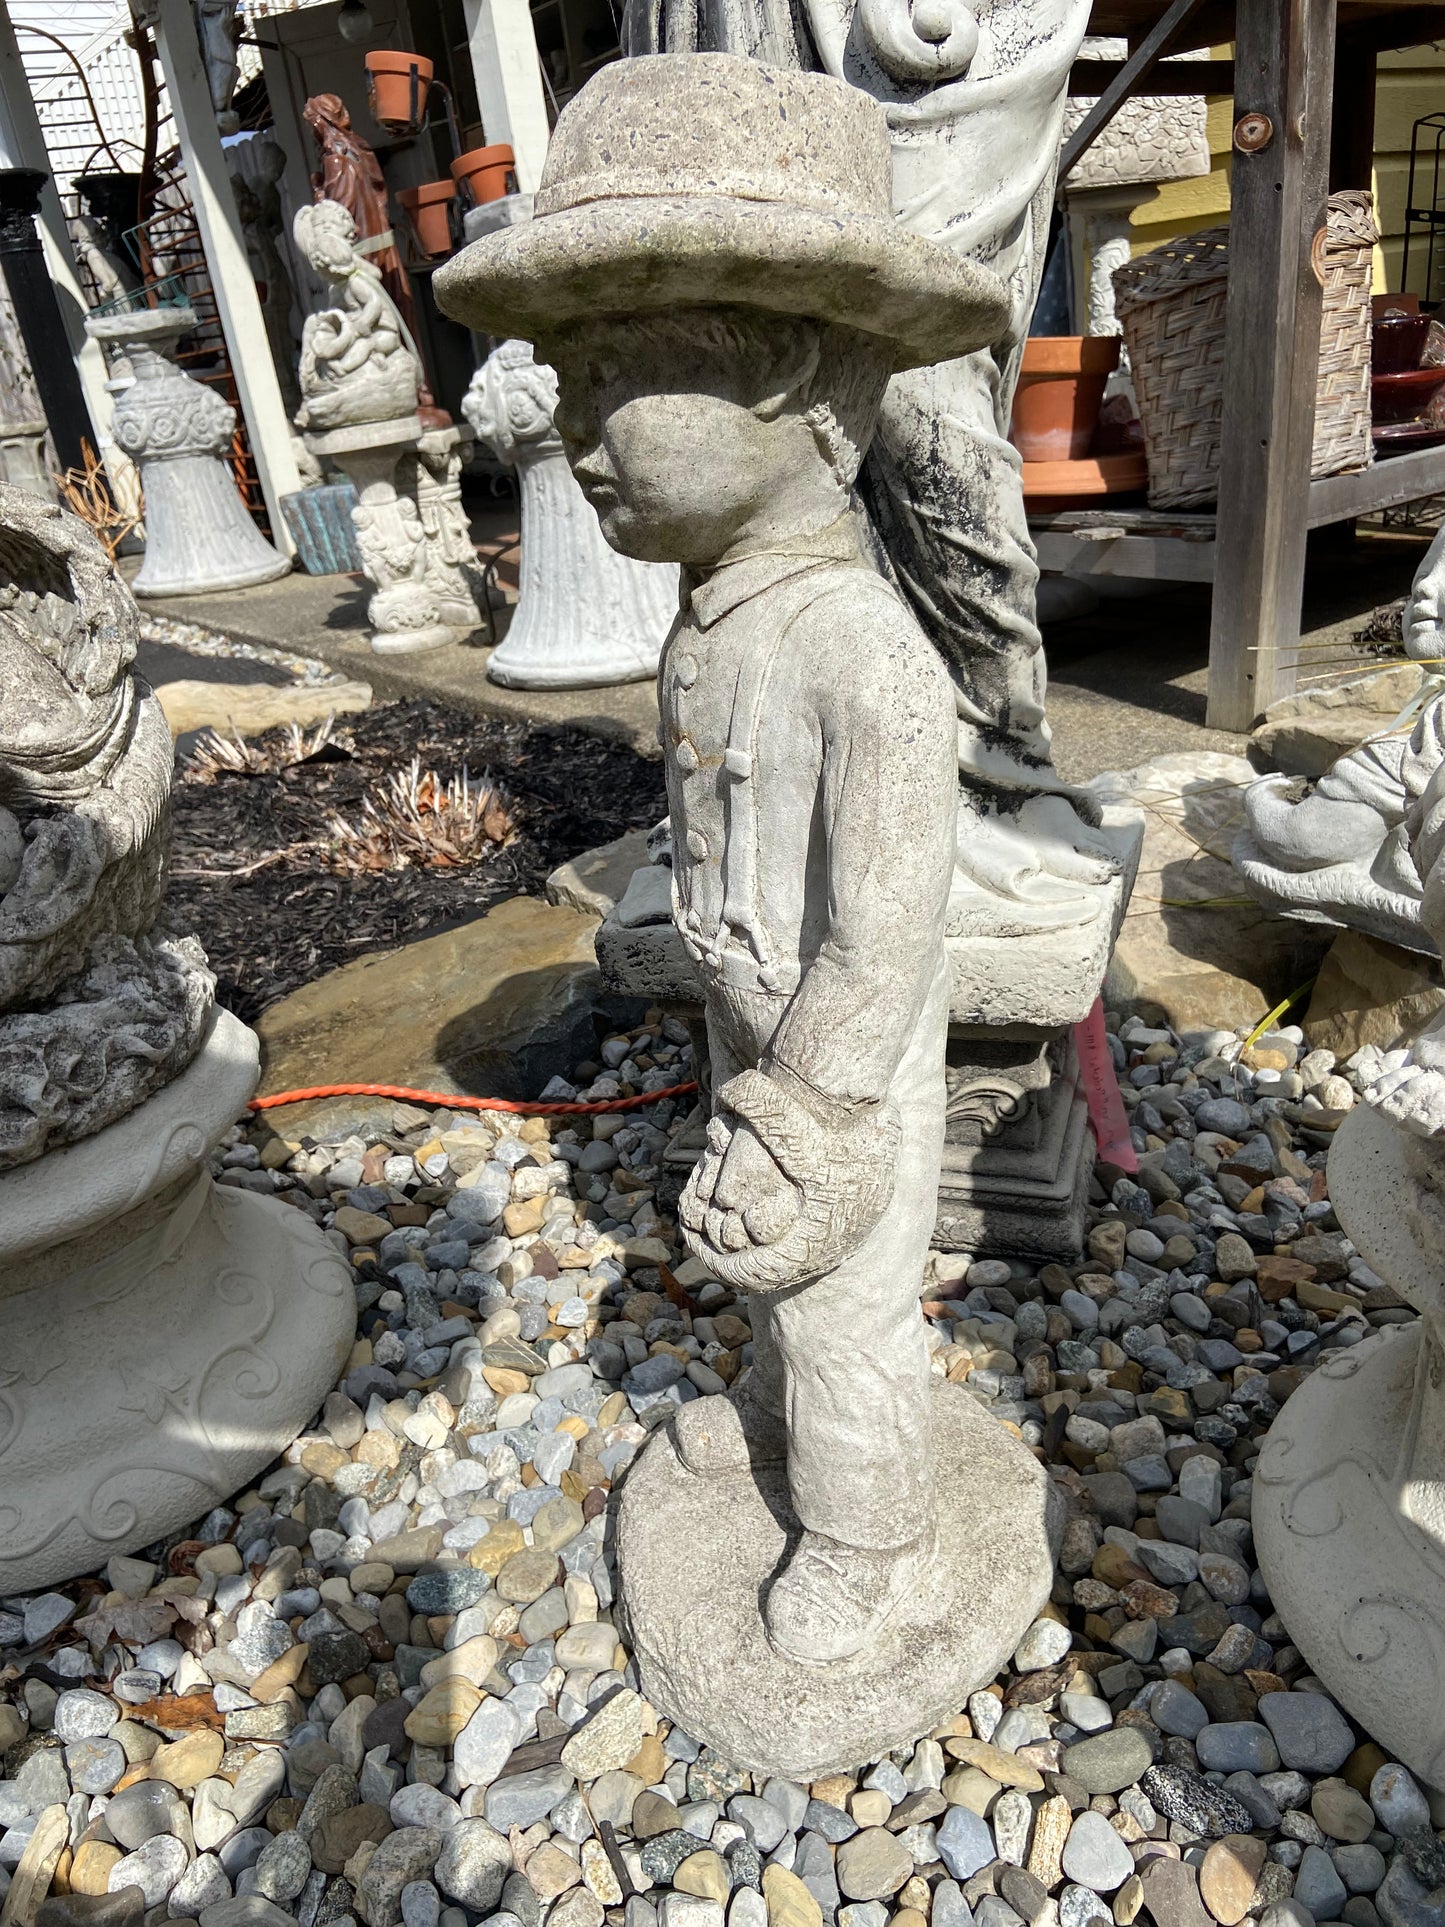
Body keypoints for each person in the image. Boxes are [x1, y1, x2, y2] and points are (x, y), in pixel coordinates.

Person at [437, 51, 1013, 1663]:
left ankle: (865, 1541)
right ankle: (779, 1423)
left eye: (619, 377)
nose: (578, 435)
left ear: (808, 389)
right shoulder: (709, 618)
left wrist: (814, 1104)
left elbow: (889, 917)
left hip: (840, 1058)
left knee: (844, 1303)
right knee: (771, 1271)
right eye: (567, 382)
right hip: (739, 1013)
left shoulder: (862, 654)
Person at [623, 0, 1120, 924]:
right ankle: (772, 795)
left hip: (933, 45)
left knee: (925, 394)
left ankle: (1000, 768)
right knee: (726, 406)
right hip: (737, 28)